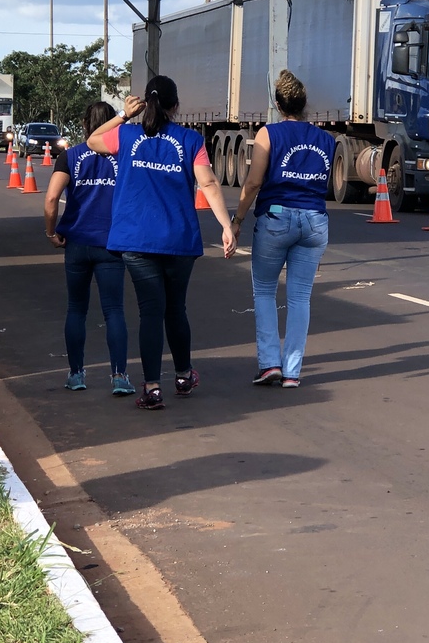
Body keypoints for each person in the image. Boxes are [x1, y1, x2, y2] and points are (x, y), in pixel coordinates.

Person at [88, 75, 236, 410]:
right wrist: (226, 226)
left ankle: (152, 389)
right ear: (176, 106)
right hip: (179, 239)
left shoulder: (126, 135)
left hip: (136, 241)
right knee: (176, 309)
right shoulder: (189, 139)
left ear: (145, 102)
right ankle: (183, 376)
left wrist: (124, 115)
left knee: (150, 313)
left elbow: (93, 138)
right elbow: (209, 183)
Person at [233, 70, 335, 388]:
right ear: (305, 105)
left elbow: (253, 183)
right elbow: (322, 187)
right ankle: (292, 372)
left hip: (276, 218)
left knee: (264, 291)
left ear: (278, 104)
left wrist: (236, 220)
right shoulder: (327, 140)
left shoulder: (268, 134)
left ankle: (269, 365)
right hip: (315, 221)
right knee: (300, 297)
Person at [44, 102, 135, 395]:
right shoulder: (123, 156)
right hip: (111, 243)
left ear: (85, 124)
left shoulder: (70, 156)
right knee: (114, 311)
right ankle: (119, 376)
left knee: (76, 309)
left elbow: (50, 199)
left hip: (77, 242)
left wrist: (51, 232)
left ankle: (76, 374)